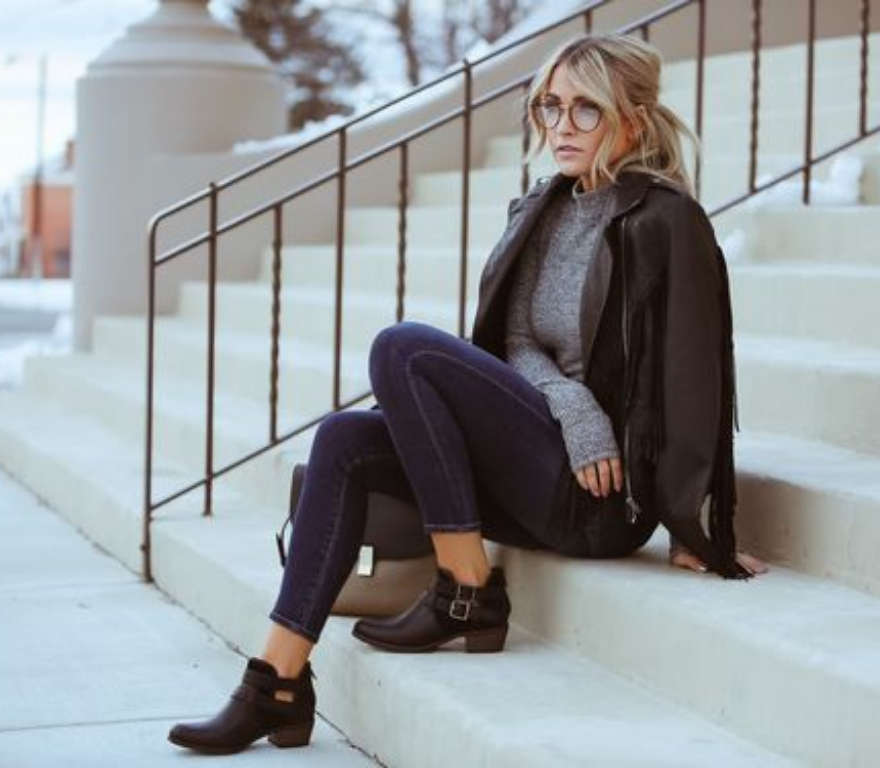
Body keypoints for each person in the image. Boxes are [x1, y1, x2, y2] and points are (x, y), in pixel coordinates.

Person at [167, 31, 768, 756]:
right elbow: (514, 341)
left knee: (402, 348)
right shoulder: (545, 209)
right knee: (343, 440)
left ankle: (466, 588)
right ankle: (278, 684)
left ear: (632, 123)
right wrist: (572, 404)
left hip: (602, 497)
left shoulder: (666, 221)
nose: (561, 126)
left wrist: (699, 528)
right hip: (546, 459)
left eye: (585, 109)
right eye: (550, 107)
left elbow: (696, 374)